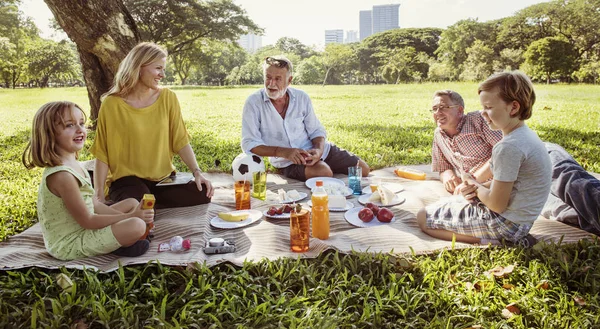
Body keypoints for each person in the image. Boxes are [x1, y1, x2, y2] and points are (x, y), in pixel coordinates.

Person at [429, 90, 600, 236]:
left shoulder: (478, 120)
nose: (437, 112)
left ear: (459, 110)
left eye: (443, 107)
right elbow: (442, 167)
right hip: (514, 186)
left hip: (533, 155)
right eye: (434, 108)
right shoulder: (439, 135)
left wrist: (474, 180)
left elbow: (508, 149)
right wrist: (448, 175)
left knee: (572, 183)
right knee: (559, 211)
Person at [417, 71, 552, 247]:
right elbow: (513, 182)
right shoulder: (526, 136)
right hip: (522, 223)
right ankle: (504, 237)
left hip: (504, 225)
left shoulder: (508, 147)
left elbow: (496, 205)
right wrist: (476, 187)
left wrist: (473, 183)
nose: (483, 113)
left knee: (422, 217)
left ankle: (498, 242)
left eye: (488, 107)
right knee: (451, 202)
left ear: (513, 108)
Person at [22, 101, 155, 260]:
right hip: (70, 244)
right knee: (136, 225)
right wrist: (131, 218)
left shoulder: (77, 166)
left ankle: (124, 238)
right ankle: (122, 244)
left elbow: (96, 205)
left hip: (85, 229)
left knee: (132, 202)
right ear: (49, 133)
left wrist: (133, 213)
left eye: (82, 123)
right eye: (70, 125)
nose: (80, 130)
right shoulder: (62, 176)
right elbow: (88, 220)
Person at [90, 42, 214, 208]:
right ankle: (136, 204)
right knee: (137, 205)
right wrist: (99, 195)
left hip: (163, 179)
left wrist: (197, 172)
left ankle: (143, 202)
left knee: (202, 193)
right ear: (139, 67)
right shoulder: (112, 104)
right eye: (158, 68)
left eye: (163, 69)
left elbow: (180, 141)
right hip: (127, 180)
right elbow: (102, 153)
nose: (162, 74)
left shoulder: (168, 97)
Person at [241, 55, 369, 181]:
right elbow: (250, 143)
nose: (271, 83)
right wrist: (283, 152)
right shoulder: (253, 103)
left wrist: (318, 150)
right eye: (268, 77)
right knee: (323, 172)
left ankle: (323, 165)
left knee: (362, 169)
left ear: (289, 80)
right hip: (288, 161)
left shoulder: (302, 98)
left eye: (278, 79)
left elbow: (316, 131)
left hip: (318, 151)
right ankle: (320, 169)